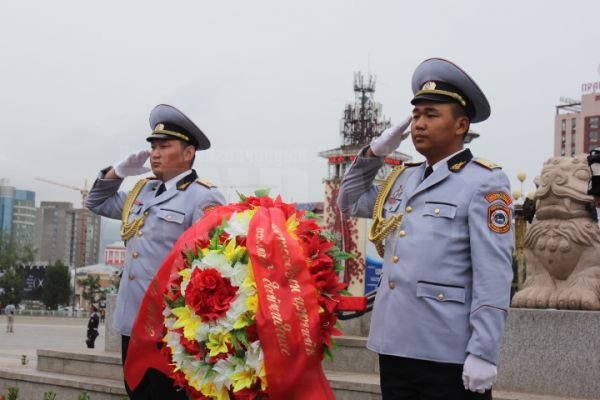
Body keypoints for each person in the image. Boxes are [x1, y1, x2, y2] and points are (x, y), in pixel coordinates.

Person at [337, 58, 513, 399]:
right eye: (416, 115)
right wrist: (375, 152)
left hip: (447, 351)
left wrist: (484, 351)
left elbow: (493, 274)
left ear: (461, 124)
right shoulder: (403, 178)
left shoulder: (484, 182)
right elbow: (349, 200)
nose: (419, 124)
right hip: (394, 345)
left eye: (431, 115)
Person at [86, 104, 226, 399]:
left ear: (188, 153)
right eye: (153, 147)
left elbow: (212, 261)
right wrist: (117, 172)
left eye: (165, 146)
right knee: (137, 392)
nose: (155, 154)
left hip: (169, 326)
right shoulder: (142, 192)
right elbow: (96, 203)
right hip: (131, 321)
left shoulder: (203, 196)